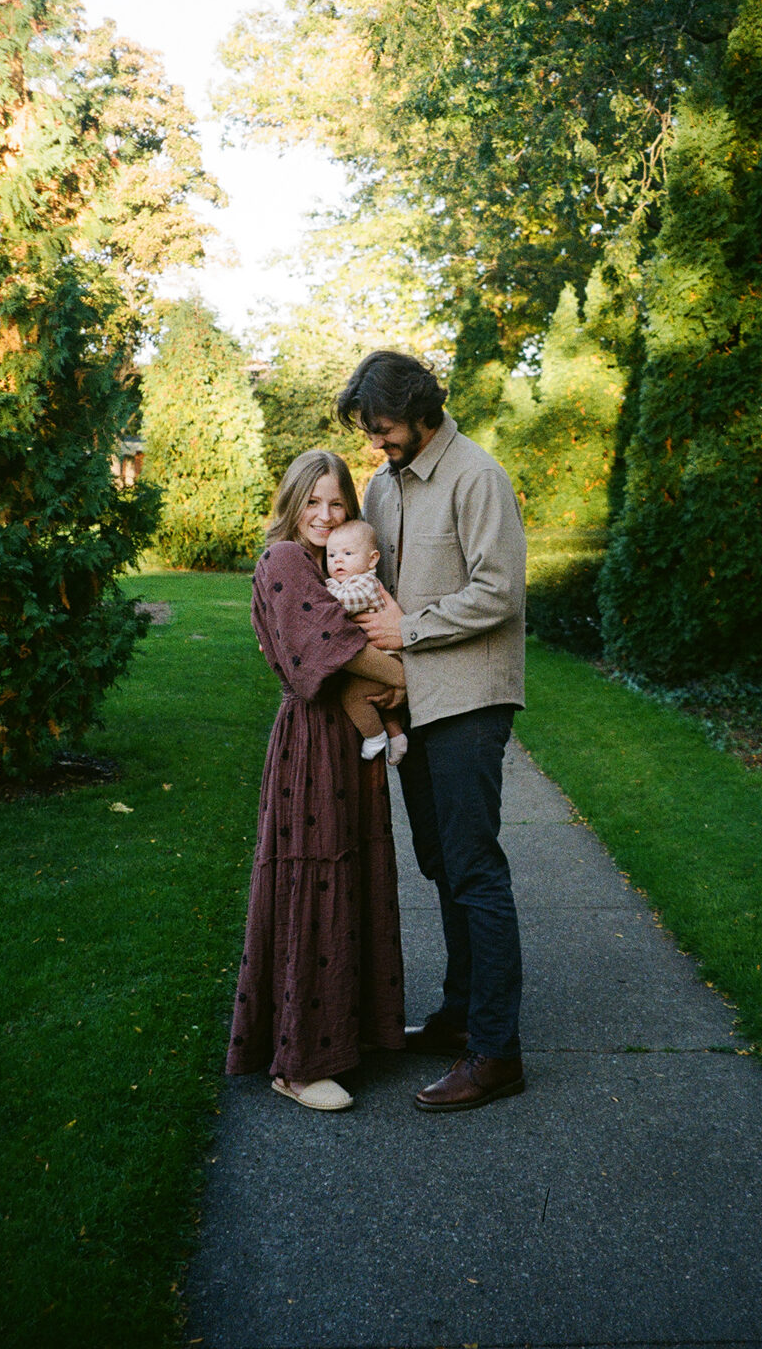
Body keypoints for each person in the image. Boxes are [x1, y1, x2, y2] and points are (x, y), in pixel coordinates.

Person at [337, 350, 527, 1113]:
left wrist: (409, 627)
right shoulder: (384, 484)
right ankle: (457, 1018)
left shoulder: (476, 475)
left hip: (470, 700)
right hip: (413, 701)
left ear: (422, 411)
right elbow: (363, 576)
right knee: (440, 864)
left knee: (474, 868)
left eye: (383, 429)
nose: (377, 444)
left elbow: (499, 592)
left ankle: (496, 1052)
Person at [225, 450, 407, 1112]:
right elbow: (332, 649)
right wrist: (417, 676)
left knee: (352, 874)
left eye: (338, 505)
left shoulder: (333, 560)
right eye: (314, 502)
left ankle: (351, 1034)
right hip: (311, 745)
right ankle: (298, 1063)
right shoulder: (285, 561)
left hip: (346, 740)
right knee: (314, 881)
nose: (327, 517)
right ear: (291, 501)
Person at [325, 518, 409, 766]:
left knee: (353, 695)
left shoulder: (365, 583)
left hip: (386, 657)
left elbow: (343, 606)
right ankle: (397, 735)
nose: (338, 560)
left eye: (348, 553)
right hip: (376, 658)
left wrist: (315, 597)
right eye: (331, 555)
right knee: (376, 699)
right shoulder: (341, 582)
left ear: (372, 559)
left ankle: (375, 736)